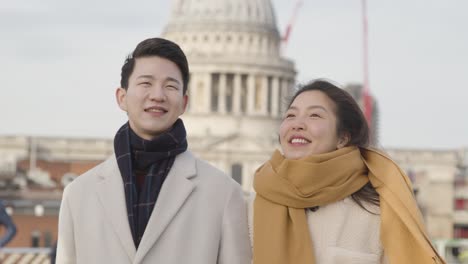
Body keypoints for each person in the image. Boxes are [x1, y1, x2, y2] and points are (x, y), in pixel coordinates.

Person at [57, 37, 251, 264]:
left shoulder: (224, 194)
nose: (157, 95)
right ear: (122, 97)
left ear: (184, 102)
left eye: (170, 86)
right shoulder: (78, 194)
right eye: (146, 83)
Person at [249, 79, 445, 264]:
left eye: (314, 115)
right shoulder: (254, 205)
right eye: (290, 115)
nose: (297, 124)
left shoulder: (380, 209)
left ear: (342, 138)